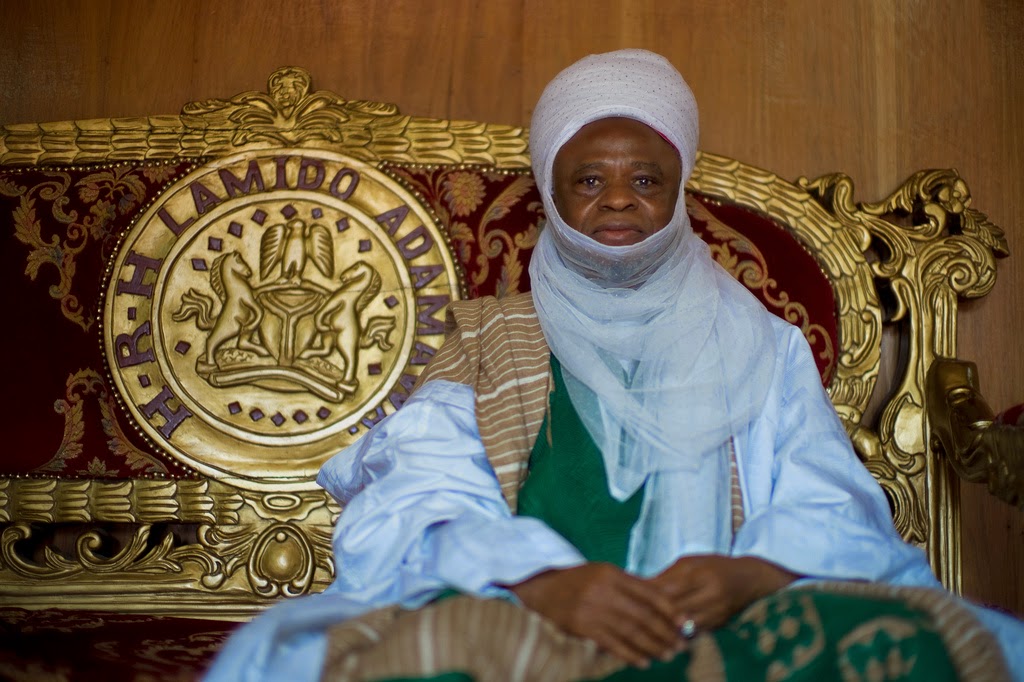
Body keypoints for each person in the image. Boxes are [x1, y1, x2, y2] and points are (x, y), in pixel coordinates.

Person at [206, 49, 1023, 681]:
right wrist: (540, 580)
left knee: (913, 646)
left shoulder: (761, 342)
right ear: (552, 195)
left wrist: (752, 573)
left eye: (647, 179)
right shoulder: (490, 338)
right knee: (399, 653)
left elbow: (826, 490)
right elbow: (423, 485)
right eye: (588, 179)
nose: (619, 199)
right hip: (525, 610)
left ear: (679, 194)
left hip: (722, 618)